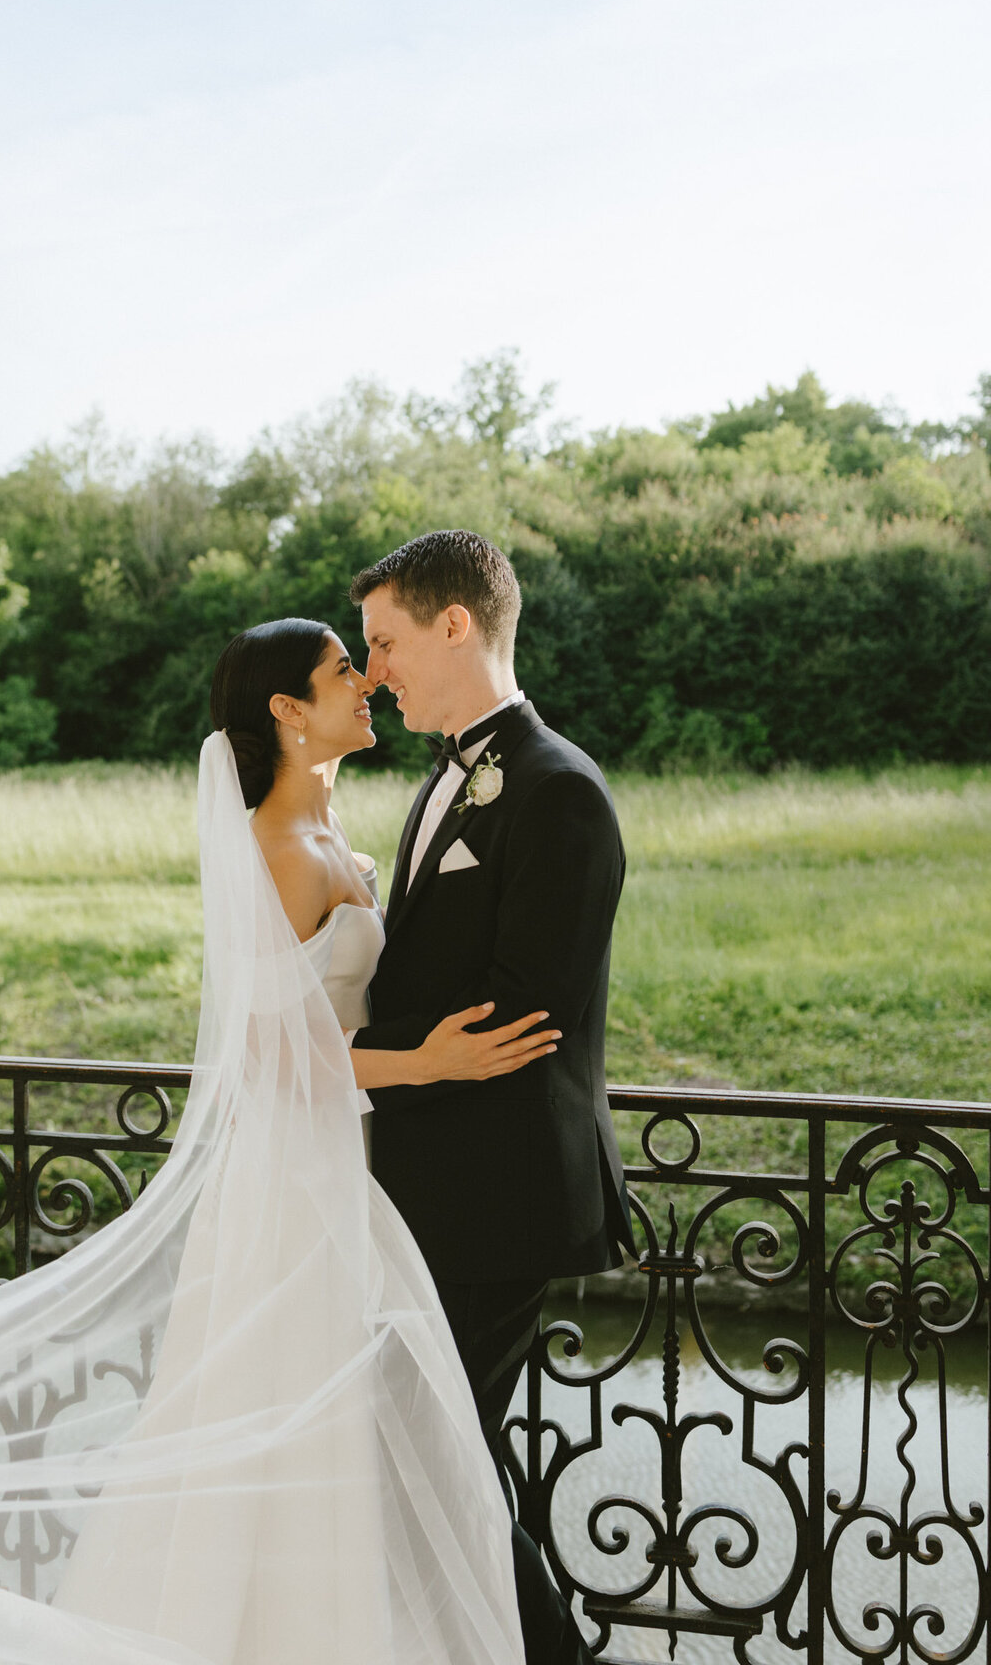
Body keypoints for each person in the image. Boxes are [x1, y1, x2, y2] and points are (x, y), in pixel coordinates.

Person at [0, 615, 557, 1665]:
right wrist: (428, 1063)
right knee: (294, 1424)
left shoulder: (332, 836)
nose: (366, 682)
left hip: (345, 1167)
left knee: (337, 1435)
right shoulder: (284, 854)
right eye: (344, 672)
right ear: (288, 711)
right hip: (291, 1180)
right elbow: (269, 1057)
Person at [350, 530, 635, 1665]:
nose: (374, 670)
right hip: (427, 1191)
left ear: (456, 623)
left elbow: (526, 1014)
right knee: (444, 1454)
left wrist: (362, 1055)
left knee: (425, 1452)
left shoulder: (558, 790)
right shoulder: (446, 778)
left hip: (499, 1194)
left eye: (386, 641)